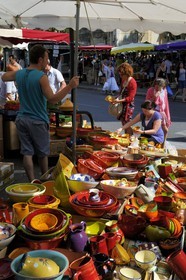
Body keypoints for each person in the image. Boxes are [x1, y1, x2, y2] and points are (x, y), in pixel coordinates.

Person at [2, 44, 79, 182]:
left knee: (27, 153)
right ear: (40, 60)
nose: (47, 61)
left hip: (22, 119)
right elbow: (53, 99)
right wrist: (69, 86)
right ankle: (45, 180)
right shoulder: (41, 77)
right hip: (37, 120)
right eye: (46, 58)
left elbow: (4, 77)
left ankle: (32, 181)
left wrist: (18, 71)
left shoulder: (21, 73)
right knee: (43, 153)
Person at [111, 62, 137, 134]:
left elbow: (131, 98)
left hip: (128, 105)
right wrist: (116, 98)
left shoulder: (132, 82)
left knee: (127, 123)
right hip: (122, 103)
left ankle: (130, 138)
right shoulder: (123, 80)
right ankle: (126, 137)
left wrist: (119, 101)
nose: (120, 76)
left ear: (127, 73)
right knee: (123, 122)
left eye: (122, 74)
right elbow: (121, 92)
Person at [146, 78, 171, 144]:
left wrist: (166, 113)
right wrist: (155, 96)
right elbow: (147, 102)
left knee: (165, 129)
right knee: (153, 130)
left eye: (159, 86)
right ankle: (152, 143)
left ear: (162, 86)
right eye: (156, 85)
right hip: (153, 112)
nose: (156, 87)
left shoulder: (164, 91)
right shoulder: (150, 90)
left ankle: (164, 143)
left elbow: (165, 103)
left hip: (161, 112)